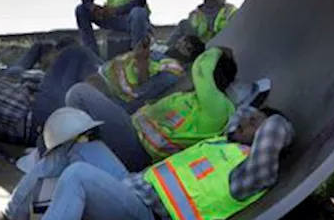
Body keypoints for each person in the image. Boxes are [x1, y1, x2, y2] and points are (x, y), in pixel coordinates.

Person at [7, 106, 295, 220]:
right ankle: (11, 215)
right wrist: (250, 119)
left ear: (269, 137)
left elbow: (273, 133)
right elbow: (239, 113)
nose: (246, 122)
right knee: (75, 145)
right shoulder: (222, 142)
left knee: (78, 175)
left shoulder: (250, 173)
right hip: (130, 189)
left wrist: (274, 121)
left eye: (256, 123)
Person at [0, 107, 129, 220]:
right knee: (64, 173)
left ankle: (11, 217)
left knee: (61, 155)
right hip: (126, 211)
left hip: (126, 216)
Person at [65, 46, 237, 170]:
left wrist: (218, 51)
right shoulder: (190, 98)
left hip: (140, 151)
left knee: (79, 93)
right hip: (129, 131)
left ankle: (85, 144)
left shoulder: (219, 108)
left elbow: (201, 67)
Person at [84, 33, 207, 113]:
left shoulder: (173, 71)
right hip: (102, 70)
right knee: (73, 49)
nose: (182, 45)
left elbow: (142, 93)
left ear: (190, 59)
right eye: (184, 40)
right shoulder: (160, 49)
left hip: (110, 91)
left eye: (188, 48)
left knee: (74, 58)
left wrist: (141, 61)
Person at [164, 0, 238, 48]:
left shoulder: (231, 12)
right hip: (198, 50)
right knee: (184, 24)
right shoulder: (194, 14)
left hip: (223, 50)